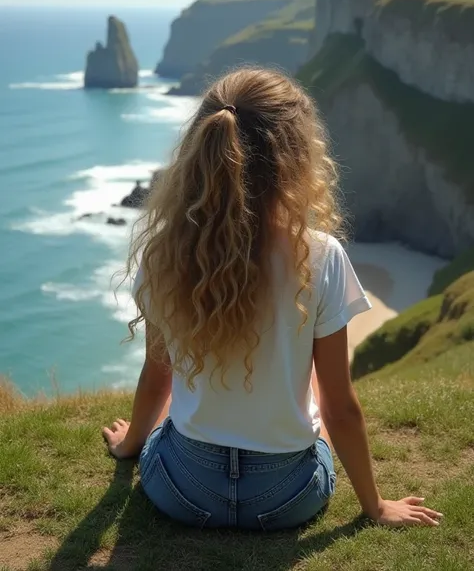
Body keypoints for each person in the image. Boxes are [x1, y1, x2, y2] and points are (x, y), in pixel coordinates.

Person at [103, 68, 443, 531]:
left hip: (182, 489)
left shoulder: (167, 254)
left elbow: (158, 372)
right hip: (285, 497)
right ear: (296, 158)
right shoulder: (321, 256)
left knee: (171, 419)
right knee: (319, 393)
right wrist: (376, 506)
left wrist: (131, 446)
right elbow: (342, 407)